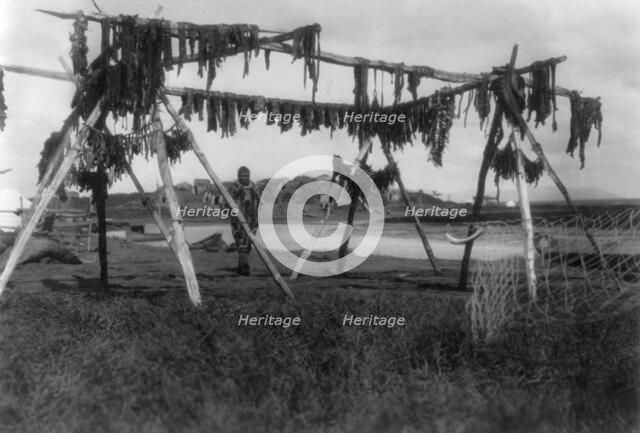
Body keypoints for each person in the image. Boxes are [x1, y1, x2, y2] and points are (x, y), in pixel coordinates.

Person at [226, 166, 260, 276]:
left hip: (252, 220)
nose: (245, 178)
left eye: (247, 176)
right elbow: (226, 203)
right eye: (242, 176)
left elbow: (259, 201)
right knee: (241, 243)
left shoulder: (253, 186)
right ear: (238, 176)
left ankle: (241, 266)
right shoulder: (233, 187)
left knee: (249, 243)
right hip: (238, 222)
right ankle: (245, 267)